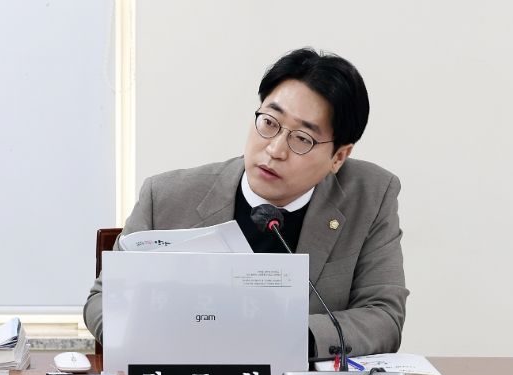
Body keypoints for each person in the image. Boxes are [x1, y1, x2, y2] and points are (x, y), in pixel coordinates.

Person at [84, 47, 408, 358]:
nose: (275, 150)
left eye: (302, 138)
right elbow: (103, 300)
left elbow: (383, 316)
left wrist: (291, 336)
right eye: (269, 123)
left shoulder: (370, 195)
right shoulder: (167, 196)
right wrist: (161, 338)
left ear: (338, 157)